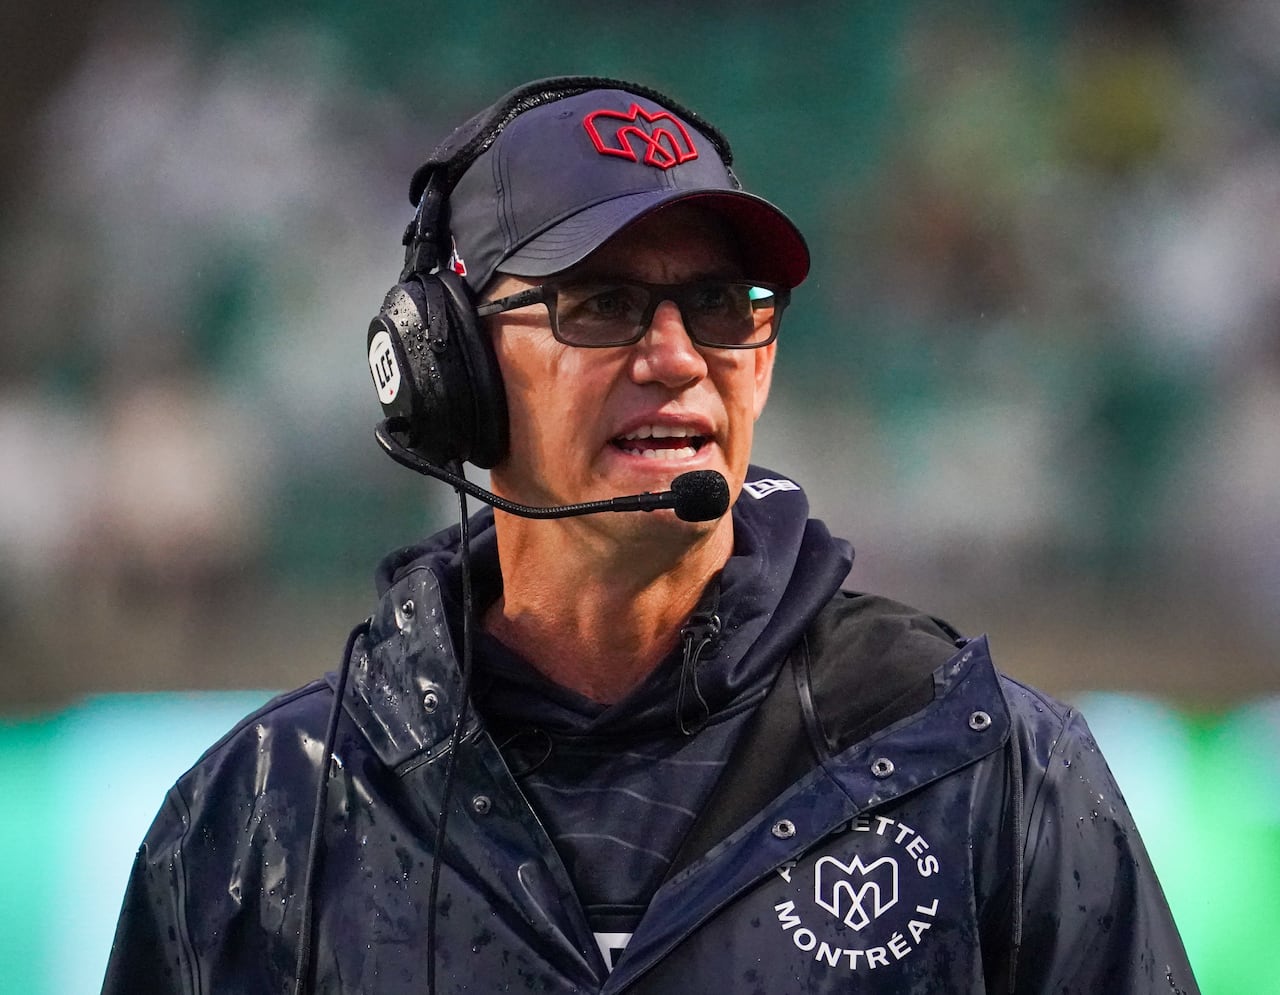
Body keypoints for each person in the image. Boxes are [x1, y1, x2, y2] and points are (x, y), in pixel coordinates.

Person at [102, 76, 1199, 994]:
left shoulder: (990, 766)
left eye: (720, 304)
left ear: (760, 360)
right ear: (453, 373)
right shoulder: (256, 823)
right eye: (601, 302)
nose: (678, 355)